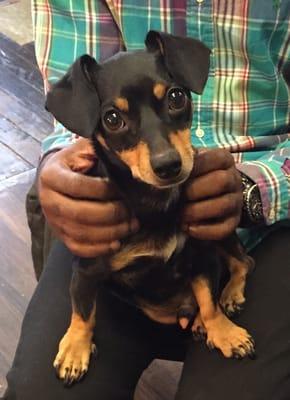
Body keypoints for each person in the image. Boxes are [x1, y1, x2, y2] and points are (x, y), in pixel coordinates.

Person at [2, 1, 290, 399]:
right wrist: (60, 163)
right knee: (39, 391)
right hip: (115, 217)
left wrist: (261, 188)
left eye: (174, 99)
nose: (164, 155)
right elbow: (75, 114)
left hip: (270, 212)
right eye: (117, 121)